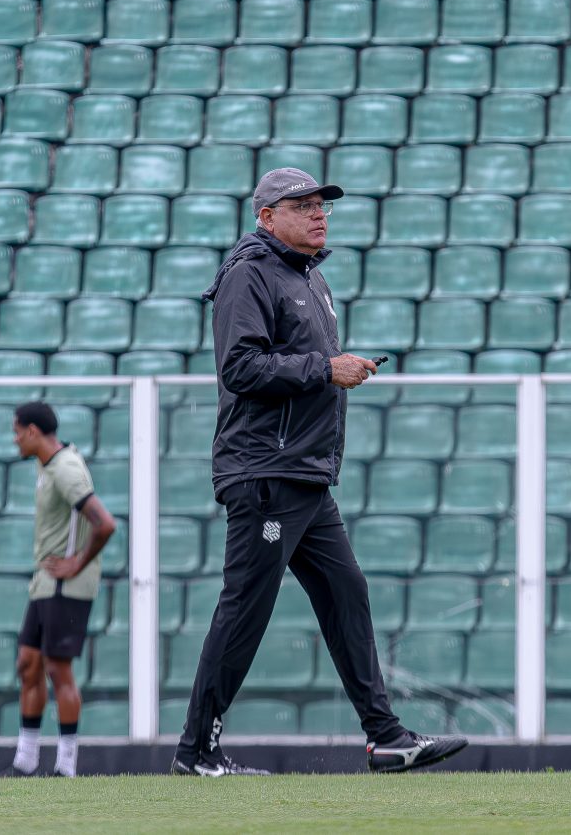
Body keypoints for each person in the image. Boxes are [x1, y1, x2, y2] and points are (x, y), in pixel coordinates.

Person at [170, 168, 469, 777]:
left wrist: (328, 368)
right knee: (245, 609)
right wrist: (326, 369)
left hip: (303, 474)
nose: (318, 215)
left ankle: (384, 738)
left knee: (346, 594)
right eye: (301, 205)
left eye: (322, 206)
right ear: (265, 216)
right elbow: (241, 368)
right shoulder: (250, 273)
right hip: (268, 471)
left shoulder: (309, 278)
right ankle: (196, 750)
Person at [8, 401, 116, 777]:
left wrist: (77, 563)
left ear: (34, 431)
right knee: (28, 664)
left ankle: (66, 765)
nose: (16, 440)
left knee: (58, 669)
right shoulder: (48, 466)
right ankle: (25, 762)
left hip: (66, 585)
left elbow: (105, 523)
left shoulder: (66, 469)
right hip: (45, 582)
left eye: (17, 432)